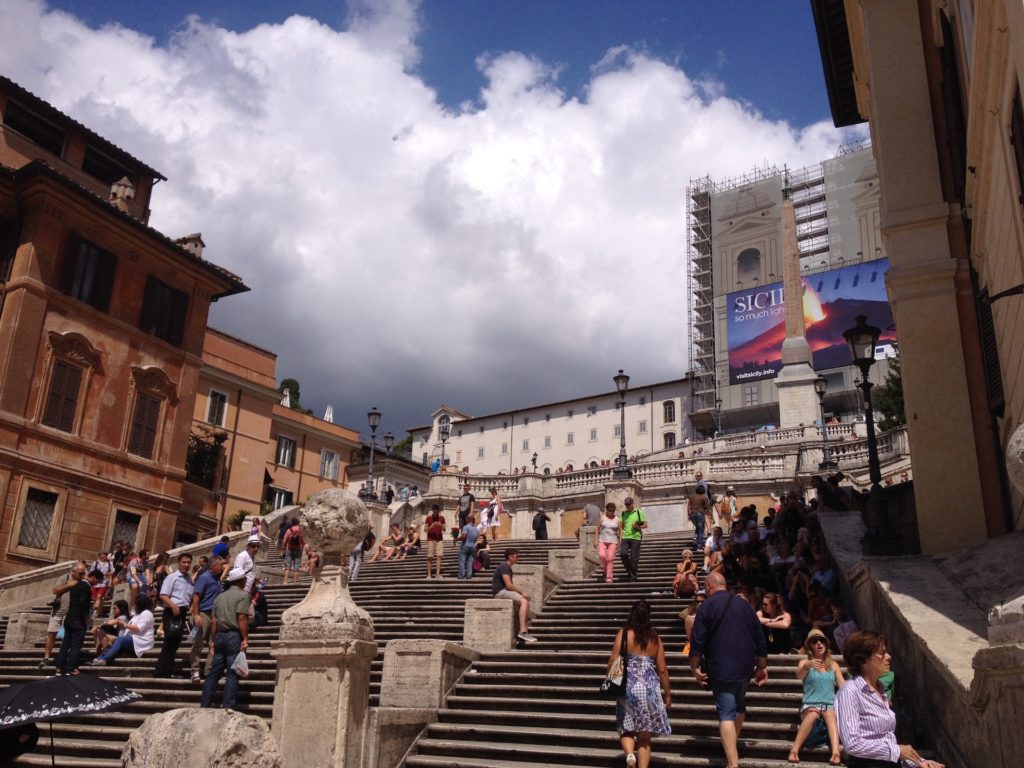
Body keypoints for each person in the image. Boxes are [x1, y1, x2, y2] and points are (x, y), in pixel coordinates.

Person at [689, 571, 768, 768]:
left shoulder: (706, 607)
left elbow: (697, 640)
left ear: (708, 586)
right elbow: (759, 636)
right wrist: (762, 666)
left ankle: (733, 763)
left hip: (720, 666)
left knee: (726, 712)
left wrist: (694, 666)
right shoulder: (744, 605)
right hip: (744, 666)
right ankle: (731, 746)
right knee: (739, 707)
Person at [836, 630, 945, 768]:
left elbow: (887, 741)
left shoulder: (880, 689)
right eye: (881, 654)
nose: (888, 657)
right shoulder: (850, 691)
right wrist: (898, 750)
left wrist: (920, 762)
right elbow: (852, 743)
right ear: (862, 660)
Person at [606, 599, 671, 768]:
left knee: (626, 728)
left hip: (628, 685)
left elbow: (613, 660)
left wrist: (611, 681)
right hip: (649, 687)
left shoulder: (624, 633)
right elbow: (662, 669)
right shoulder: (655, 638)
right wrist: (668, 694)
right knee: (644, 736)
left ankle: (629, 756)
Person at [789, 628, 845, 765]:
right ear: (810, 646)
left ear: (826, 644)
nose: (819, 644)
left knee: (831, 714)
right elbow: (799, 675)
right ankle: (794, 750)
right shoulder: (804, 663)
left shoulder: (834, 665)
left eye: (822, 641)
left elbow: (843, 686)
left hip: (829, 705)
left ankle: (836, 753)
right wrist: (807, 666)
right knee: (813, 713)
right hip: (810, 704)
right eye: (814, 641)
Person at [200, 567, 251, 711]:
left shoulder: (220, 597)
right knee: (232, 671)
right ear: (242, 580)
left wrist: (213, 640)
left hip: (220, 635)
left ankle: (205, 703)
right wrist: (245, 638)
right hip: (233, 635)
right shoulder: (243, 595)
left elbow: (214, 621)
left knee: (214, 671)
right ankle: (228, 704)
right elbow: (242, 617)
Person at [155, 553, 194, 678]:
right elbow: (163, 595)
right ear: (179, 562)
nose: (186, 565)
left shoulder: (189, 579)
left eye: (188, 562)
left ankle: (167, 670)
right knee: (170, 641)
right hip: (172, 611)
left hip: (182, 611)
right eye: (184, 562)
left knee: (175, 642)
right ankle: (162, 672)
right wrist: (172, 605)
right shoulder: (172, 577)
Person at [55, 564, 98, 676]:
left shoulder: (74, 585)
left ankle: (59, 667)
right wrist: (87, 618)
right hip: (77, 620)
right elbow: (83, 604)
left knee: (65, 644)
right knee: (75, 645)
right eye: (81, 573)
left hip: (69, 618)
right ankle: (70, 668)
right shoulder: (86, 587)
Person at [91, 594, 156, 666]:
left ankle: (104, 659)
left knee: (120, 639)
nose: (134, 606)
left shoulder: (146, 613)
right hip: (133, 639)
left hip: (141, 641)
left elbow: (138, 628)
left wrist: (124, 624)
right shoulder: (137, 615)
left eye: (136, 604)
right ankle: (100, 658)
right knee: (115, 642)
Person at [189, 555, 224, 683]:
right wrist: (196, 614)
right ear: (214, 566)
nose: (223, 567)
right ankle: (195, 670)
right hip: (203, 613)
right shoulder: (204, 578)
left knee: (212, 644)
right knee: (198, 643)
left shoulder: (218, 580)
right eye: (220, 565)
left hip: (214, 615)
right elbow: (196, 596)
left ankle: (209, 670)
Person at [491, 548, 537, 643]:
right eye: (516, 556)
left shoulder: (507, 567)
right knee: (524, 601)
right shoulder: (504, 567)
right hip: (500, 592)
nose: (517, 558)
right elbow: (509, 585)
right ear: (510, 557)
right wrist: (522, 592)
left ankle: (524, 629)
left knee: (526, 602)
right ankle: (523, 631)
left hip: (503, 591)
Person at [39, 564, 78, 668]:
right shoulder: (64, 578)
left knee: (67, 635)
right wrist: (69, 585)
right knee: (51, 634)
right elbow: (55, 591)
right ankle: (46, 658)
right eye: (79, 572)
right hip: (58, 610)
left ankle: (64, 657)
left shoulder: (81, 582)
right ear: (73, 571)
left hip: (71, 612)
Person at [619, 497, 646, 582]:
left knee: (634, 558)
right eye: (626, 504)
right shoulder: (623, 514)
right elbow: (621, 526)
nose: (627, 506)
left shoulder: (638, 512)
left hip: (636, 537)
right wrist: (620, 536)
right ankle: (630, 571)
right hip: (625, 537)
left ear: (632, 503)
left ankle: (633, 577)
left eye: (628, 504)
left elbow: (645, 525)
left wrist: (637, 526)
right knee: (623, 554)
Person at [596, 502, 621, 583]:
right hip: (602, 540)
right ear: (607, 510)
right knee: (602, 556)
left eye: (613, 511)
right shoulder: (602, 518)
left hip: (613, 541)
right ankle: (606, 570)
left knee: (610, 558)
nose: (611, 512)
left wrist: (620, 539)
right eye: (610, 510)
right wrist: (595, 540)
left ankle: (609, 577)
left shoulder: (617, 519)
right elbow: (597, 529)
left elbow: (620, 530)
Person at [424, 505, 446, 578]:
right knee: (430, 556)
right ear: (432, 510)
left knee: (439, 556)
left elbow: (444, 529)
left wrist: (441, 526)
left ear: (438, 511)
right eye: (434, 511)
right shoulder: (428, 518)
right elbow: (425, 529)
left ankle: (437, 574)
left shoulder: (442, 518)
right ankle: (429, 575)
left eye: (437, 511)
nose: (436, 512)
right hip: (431, 539)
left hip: (439, 539)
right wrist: (431, 526)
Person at [281, 518, 304, 584]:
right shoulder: (301, 530)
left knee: (287, 566)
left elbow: (284, 541)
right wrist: (302, 547)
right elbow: (303, 540)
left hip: (289, 549)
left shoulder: (289, 530)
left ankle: (285, 582)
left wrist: (284, 547)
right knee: (296, 566)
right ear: (298, 523)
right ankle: (295, 582)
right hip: (298, 549)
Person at [457, 512, 480, 579]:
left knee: (462, 561)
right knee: (470, 562)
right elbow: (476, 538)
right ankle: (469, 575)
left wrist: (457, 539)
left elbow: (464, 536)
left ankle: (461, 575)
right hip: (473, 547)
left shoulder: (466, 527)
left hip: (465, 546)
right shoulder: (477, 528)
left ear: (468, 519)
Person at [688, 484, 710, 550]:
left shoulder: (692, 497)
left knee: (698, 527)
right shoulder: (704, 497)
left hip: (692, 514)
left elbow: (688, 506)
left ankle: (695, 538)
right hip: (700, 514)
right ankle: (699, 547)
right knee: (701, 531)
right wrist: (707, 514)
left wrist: (689, 515)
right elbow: (707, 507)